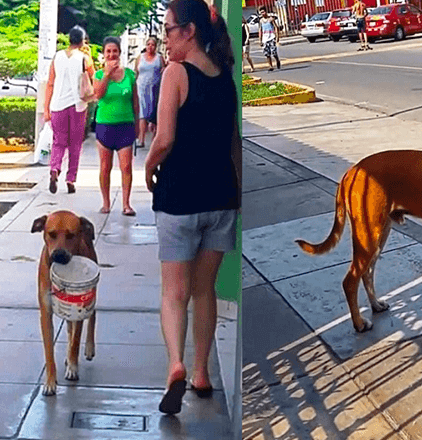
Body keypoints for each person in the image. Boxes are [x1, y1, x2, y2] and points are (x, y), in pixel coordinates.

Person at [145, 0, 241, 415]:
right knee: (205, 291)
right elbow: (234, 144)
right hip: (221, 199)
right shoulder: (225, 78)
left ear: (188, 31)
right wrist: (236, 193)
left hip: (179, 199)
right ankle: (202, 373)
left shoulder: (175, 74)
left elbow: (164, 138)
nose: (164, 39)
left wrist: (149, 167)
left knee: (174, 292)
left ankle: (176, 365)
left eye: (168, 30)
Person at [93, 37, 140, 216]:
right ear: (104, 54)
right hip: (105, 126)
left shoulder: (129, 75)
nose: (112, 54)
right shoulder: (98, 75)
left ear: (120, 53)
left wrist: (137, 125)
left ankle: (126, 204)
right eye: (108, 51)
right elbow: (98, 94)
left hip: (125, 126)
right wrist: (106, 74)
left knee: (126, 166)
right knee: (105, 167)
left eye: (115, 51)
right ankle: (106, 203)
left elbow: (135, 101)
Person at [44, 26, 91, 195]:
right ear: (82, 40)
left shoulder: (57, 57)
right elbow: (92, 77)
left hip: (57, 105)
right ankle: (71, 179)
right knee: (75, 144)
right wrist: (89, 56)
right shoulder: (84, 58)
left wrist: (46, 108)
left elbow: (50, 83)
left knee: (58, 142)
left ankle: (55, 168)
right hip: (78, 105)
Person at [134, 37, 165, 150]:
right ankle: (141, 139)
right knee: (142, 114)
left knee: (153, 114)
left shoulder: (159, 58)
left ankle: (154, 140)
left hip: (154, 89)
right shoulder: (140, 58)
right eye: (148, 44)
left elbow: (164, 71)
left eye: (152, 44)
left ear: (156, 46)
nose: (150, 47)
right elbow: (136, 72)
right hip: (141, 87)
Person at [258, 7, 281, 71]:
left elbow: (276, 27)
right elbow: (260, 30)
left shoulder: (271, 19)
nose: (263, 13)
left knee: (274, 52)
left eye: (263, 12)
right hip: (265, 39)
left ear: (266, 11)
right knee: (267, 53)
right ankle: (270, 66)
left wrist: (277, 37)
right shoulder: (261, 21)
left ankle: (277, 60)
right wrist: (260, 40)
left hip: (271, 37)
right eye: (261, 12)